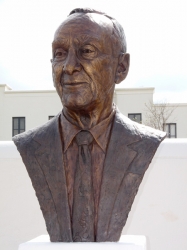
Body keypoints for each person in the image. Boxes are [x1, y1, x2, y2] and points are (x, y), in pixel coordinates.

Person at [13, 8, 166, 242]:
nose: (69, 66)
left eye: (86, 51)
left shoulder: (144, 144)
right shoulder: (32, 146)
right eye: (60, 53)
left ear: (121, 67)